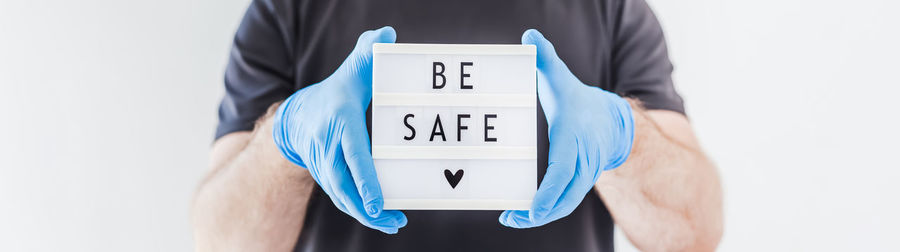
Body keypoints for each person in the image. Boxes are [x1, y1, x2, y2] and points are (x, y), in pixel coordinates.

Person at [191, 0, 723, 251]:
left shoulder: (610, 9)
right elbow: (221, 242)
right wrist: (286, 138)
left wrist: (622, 137)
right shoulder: (287, 10)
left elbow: (695, 230)